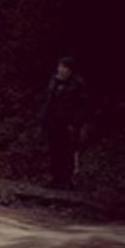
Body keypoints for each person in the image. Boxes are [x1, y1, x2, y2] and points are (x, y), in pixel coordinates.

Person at [39, 56, 88, 189]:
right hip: (53, 121)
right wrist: (44, 117)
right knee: (54, 150)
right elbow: (48, 101)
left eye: (64, 67)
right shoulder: (54, 81)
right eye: (60, 66)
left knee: (67, 151)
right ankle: (55, 178)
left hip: (68, 123)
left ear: (70, 69)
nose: (60, 70)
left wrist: (75, 122)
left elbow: (82, 106)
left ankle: (67, 180)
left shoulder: (77, 84)